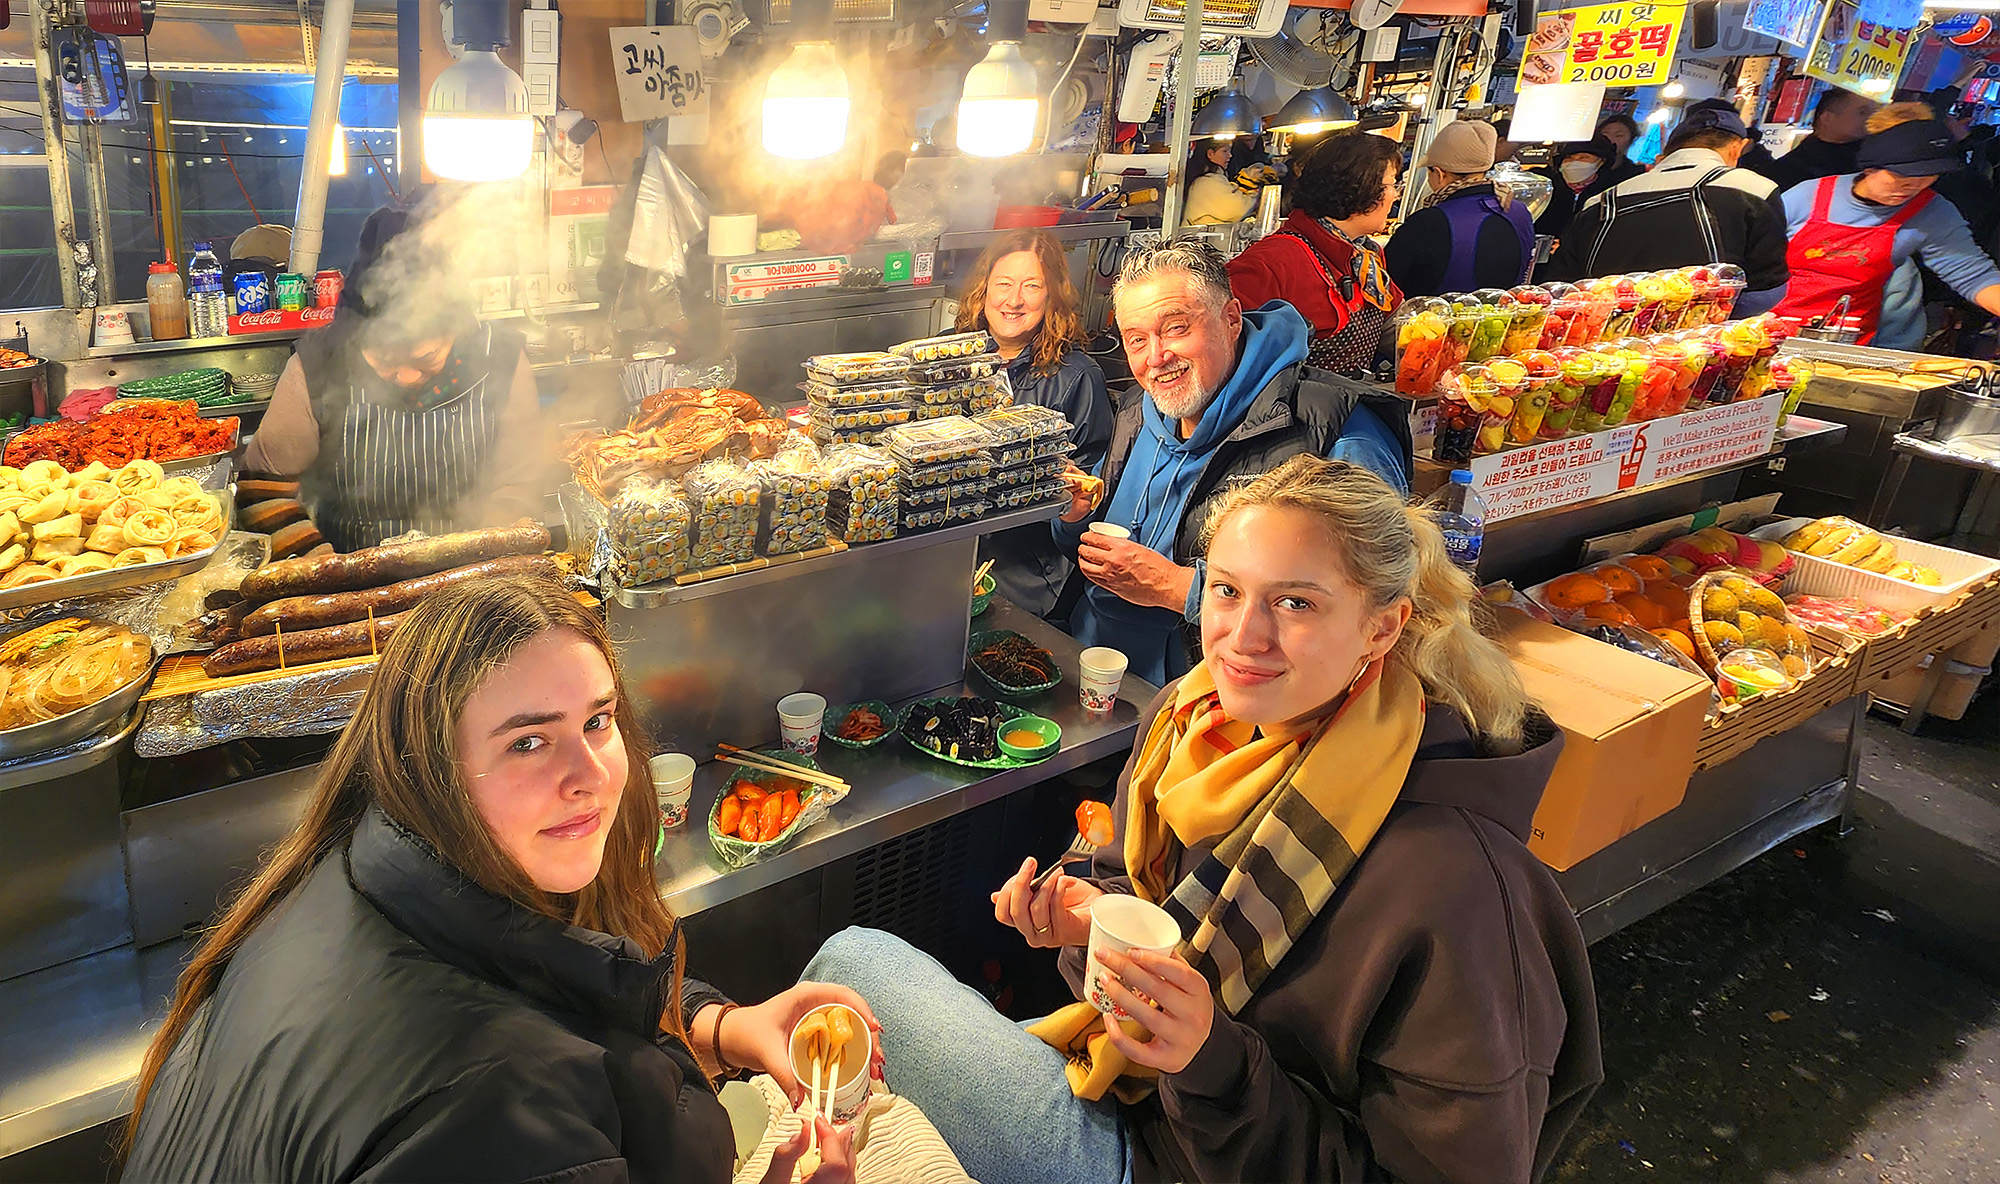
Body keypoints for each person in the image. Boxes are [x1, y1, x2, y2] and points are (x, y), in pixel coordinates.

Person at [806, 455, 1602, 1184]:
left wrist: (1214, 1063)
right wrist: (1087, 922)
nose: (1242, 639)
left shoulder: (1460, 884)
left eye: (1295, 602)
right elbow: (1128, 888)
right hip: (1122, 1084)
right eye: (1226, 590)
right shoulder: (1190, 722)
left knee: (854, 964)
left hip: (1174, 1159)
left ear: (1382, 627)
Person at [122, 575, 875, 1183]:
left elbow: (565, 997)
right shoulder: (490, 1115)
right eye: (526, 743)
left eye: (597, 720)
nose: (590, 777)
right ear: (433, 768)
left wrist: (721, 1027)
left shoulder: (355, 865)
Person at [1054, 239, 1411, 688]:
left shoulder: (1332, 428)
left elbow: (1368, 608)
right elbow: (1093, 542)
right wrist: (1074, 518)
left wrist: (1177, 589)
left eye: (1177, 328)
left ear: (1231, 319)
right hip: (1099, 670)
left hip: (1223, 696)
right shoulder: (1135, 410)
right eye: (1136, 339)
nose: (1156, 357)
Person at [244, 201, 547, 552]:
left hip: (470, 575)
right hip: (349, 575)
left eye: (426, 357)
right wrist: (323, 569)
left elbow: (520, 484)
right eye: (385, 358)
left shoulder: (501, 360)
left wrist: (482, 560)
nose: (404, 375)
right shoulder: (318, 364)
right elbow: (262, 489)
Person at [953, 229, 1113, 617]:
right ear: (983, 289)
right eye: (1003, 284)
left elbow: (1094, 492)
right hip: (942, 561)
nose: (1014, 300)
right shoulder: (949, 358)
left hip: (1025, 580)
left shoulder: (1076, 376)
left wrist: (1072, 492)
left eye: (1031, 286)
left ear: (1052, 295)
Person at [1774, 114, 2000, 347]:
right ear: (1870, 168)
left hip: (1846, 340)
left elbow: (1973, 274)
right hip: (1770, 328)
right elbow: (1753, 261)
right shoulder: (1805, 196)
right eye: (1901, 175)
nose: (1914, 186)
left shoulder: (1932, 212)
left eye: (1929, 176)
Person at [1544, 106, 1790, 315]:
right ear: (1737, 148)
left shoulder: (1602, 200)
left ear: (1670, 150)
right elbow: (1766, 287)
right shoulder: (1755, 189)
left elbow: (1563, 285)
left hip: (1604, 338)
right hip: (1702, 344)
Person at [1227, 130, 1405, 374]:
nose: (1395, 194)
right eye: (1392, 184)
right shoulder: (1269, 263)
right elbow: (1227, 359)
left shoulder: (1366, 255)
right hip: (1292, 411)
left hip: (1354, 404)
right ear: (1359, 187)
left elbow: (1393, 328)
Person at [1385, 120, 1536, 296]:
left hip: (1431, 322)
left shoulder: (1428, 222)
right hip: (1504, 320)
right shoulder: (1518, 211)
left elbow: (1388, 284)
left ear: (1440, 173)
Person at [1757, 89, 1878, 196]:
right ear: (1828, 118)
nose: (1871, 118)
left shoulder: (1875, 157)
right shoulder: (1790, 168)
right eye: (1862, 112)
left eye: (1874, 112)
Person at [1534, 138, 1617, 240]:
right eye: (1569, 158)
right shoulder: (1545, 189)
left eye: (1584, 157)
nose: (1575, 162)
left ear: (1601, 161)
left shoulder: (1610, 192)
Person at [1182, 140, 1272, 225]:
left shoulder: (1215, 178)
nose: (1230, 155)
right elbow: (1238, 210)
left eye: (1230, 151)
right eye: (1224, 151)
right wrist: (1254, 194)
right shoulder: (1207, 182)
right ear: (1210, 154)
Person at [1582, 113, 1646, 198]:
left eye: (1619, 135)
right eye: (1605, 133)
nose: (1611, 139)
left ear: (1631, 140)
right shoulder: (1585, 167)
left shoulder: (1634, 174)